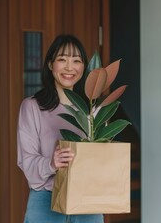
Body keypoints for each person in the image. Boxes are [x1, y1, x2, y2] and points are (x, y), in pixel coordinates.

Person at [17, 34, 104, 223]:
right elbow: (27, 161)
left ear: (84, 67)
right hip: (45, 200)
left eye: (76, 61)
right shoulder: (32, 107)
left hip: (87, 199)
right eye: (62, 59)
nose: (69, 67)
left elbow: (101, 157)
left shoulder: (94, 110)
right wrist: (52, 163)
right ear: (50, 64)